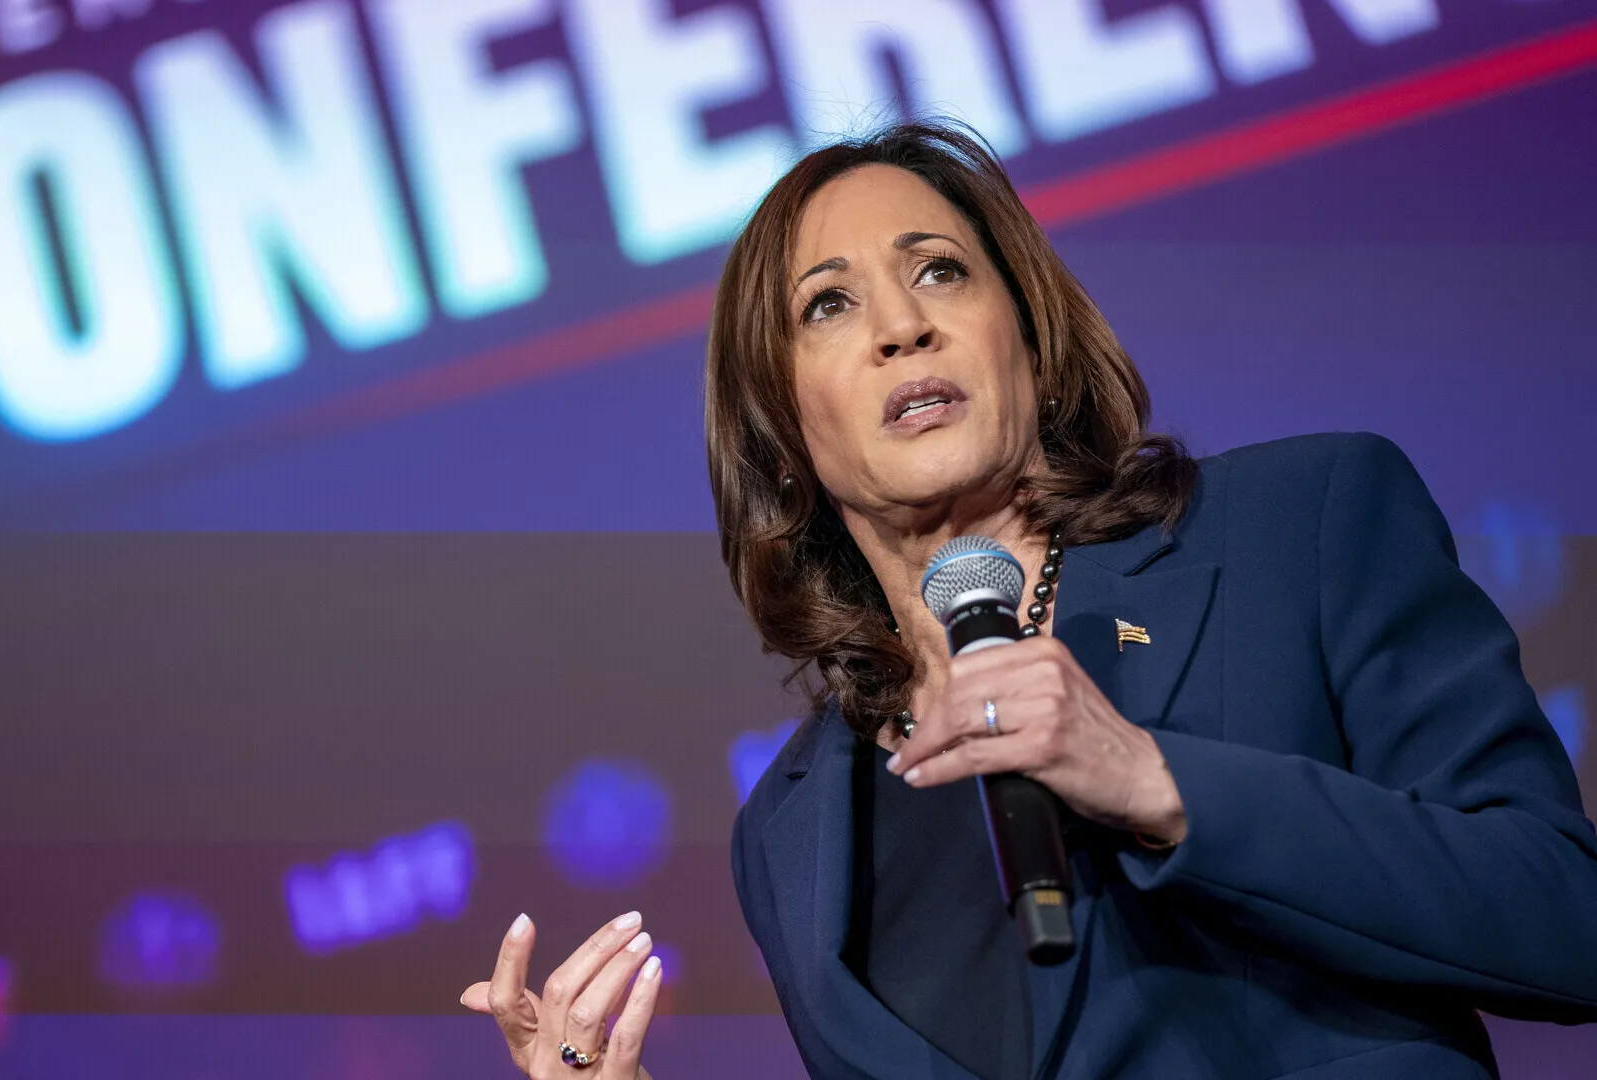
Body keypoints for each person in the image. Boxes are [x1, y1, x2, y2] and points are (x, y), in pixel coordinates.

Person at [459, 122, 1597, 1079]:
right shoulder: (792, 831)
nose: (904, 325)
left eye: (941, 270)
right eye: (828, 307)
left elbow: (1564, 917)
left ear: (1033, 342)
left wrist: (1153, 781)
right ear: (783, 431)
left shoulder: (1296, 527)